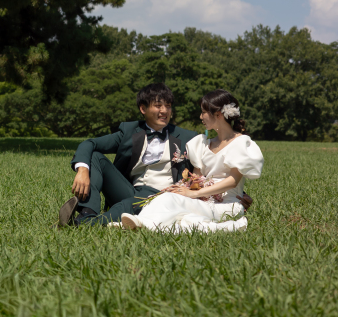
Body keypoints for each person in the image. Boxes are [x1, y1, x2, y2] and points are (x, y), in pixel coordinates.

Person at [120, 89, 263, 233]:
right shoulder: (202, 143)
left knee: (172, 202)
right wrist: (184, 188)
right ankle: (229, 227)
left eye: (203, 112)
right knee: (174, 206)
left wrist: (194, 194)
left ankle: (141, 223)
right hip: (204, 200)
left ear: (218, 115)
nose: (201, 117)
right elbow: (196, 178)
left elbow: (232, 181)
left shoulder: (240, 143)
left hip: (228, 205)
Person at [57, 83, 198, 227]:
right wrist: (82, 170)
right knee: (95, 157)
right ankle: (87, 212)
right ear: (143, 109)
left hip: (162, 196)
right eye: (158, 106)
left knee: (127, 205)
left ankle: (83, 224)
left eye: (168, 106)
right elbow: (90, 143)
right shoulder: (129, 132)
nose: (164, 111)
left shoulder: (188, 137)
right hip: (130, 191)